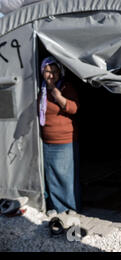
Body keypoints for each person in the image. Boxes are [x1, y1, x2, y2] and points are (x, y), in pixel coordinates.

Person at [39, 56, 81, 214]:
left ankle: (71, 209)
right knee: (52, 176)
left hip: (64, 140)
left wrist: (57, 96)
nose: (51, 75)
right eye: (48, 72)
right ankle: (57, 208)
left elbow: (74, 108)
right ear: (42, 72)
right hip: (47, 139)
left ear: (60, 73)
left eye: (55, 72)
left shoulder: (65, 87)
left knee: (66, 177)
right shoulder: (40, 90)